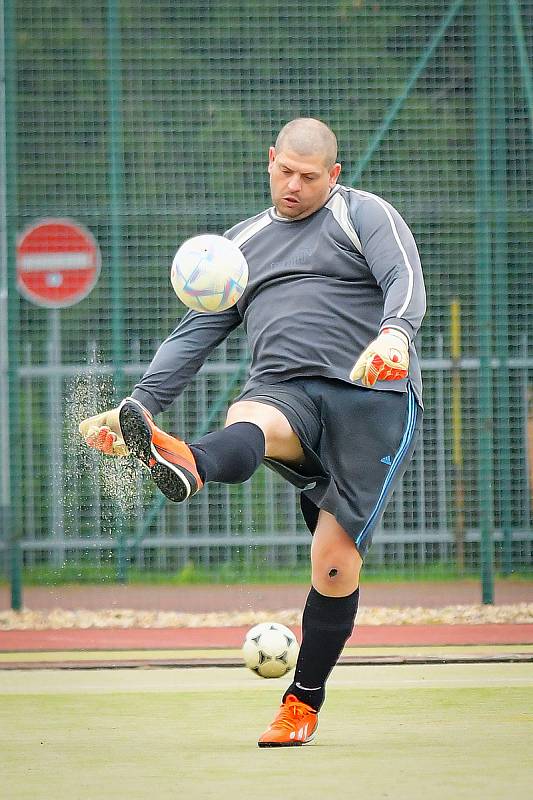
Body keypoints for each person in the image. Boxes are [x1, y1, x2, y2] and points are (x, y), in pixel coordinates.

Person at [79, 117, 426, 747]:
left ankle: (303, 702)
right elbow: (194, 337)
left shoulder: (363, 215)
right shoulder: (240, 248)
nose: (293, 185)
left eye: (309, 176)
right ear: (270, 160)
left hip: (371, 396)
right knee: (252, 421)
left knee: (333, 564)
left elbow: (405, 277)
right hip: (285, 388)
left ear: (334, 176)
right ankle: (186, 460)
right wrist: (137, 404)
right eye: (285, 170)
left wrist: (396, 332)